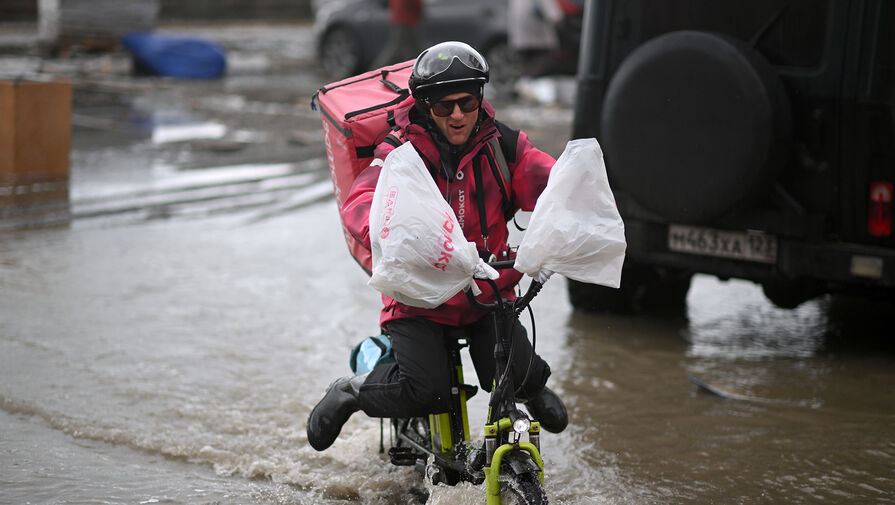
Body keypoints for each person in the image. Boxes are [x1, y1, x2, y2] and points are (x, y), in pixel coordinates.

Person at [307, 41, 568, 452]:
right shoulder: (398, 154)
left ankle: (531, 390)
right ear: (426, 106)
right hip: (418, 302)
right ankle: (352, 392)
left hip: (487, 294)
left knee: (518, 377)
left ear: (480, 98)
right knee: (428, 391)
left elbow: (552, 183)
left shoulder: (502, 146)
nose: (459, 114)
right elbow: (362, 204)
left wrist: (577, 208)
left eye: (466, 102)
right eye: (445, 106)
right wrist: (393, 235)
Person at [372, 0, 423, 69]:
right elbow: (415, 3)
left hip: (399, 17)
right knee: (396, 49)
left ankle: (419, 66)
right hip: (407, 18)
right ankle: (376, 69)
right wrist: (420, 11)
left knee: (413, 48)